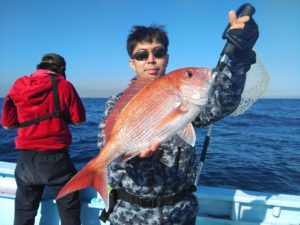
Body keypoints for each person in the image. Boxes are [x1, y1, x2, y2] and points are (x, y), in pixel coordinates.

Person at [97, 10, 259, 225]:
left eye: (158, 52)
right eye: (142, 55)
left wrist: (238, 55)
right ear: (132, 63)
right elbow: (107, 147)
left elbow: (224, 102)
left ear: (167, 58)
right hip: (130, 216)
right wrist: (135, 156)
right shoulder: (116, 103)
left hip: (180, 214)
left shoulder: (184, 95)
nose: (151, 60)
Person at [1, 53, 86, 225]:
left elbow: (7, 125)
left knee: (24, 212)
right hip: (57, 161)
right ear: (62, 69)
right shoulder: (64, 85)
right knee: (69, 208)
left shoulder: (19, 84)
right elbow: (79, 120)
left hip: (26, 162)